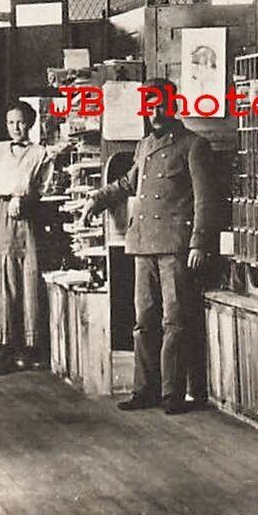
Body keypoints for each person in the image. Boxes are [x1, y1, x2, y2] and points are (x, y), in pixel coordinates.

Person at [83, 78, 218, 414]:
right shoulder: (144, 146)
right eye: (150, 105)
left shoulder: (193, 145)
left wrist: (199, 242)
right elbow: (128, 183)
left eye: (161, 105)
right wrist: (97, 199)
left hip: (175, 245)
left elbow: (205, 200)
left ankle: (173, 393)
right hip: (143, 242)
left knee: (175, 320)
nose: (155, 112)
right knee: (144, 320)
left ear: (174, 106)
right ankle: (146, 390)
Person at [0, 101, 63, 376]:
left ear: (30, 124)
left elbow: (41, 189)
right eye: (10, 123)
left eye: (20, 123)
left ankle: (10, 351)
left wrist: (23, 200)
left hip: (20, 218)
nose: (15, 128)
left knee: (13, 281)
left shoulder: (40, 154)